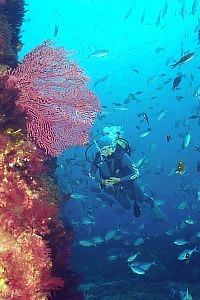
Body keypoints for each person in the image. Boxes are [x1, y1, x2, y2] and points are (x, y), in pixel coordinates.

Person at [89, 135, 167, 221]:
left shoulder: (122, 155)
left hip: (129, 184)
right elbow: (91, 174)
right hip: (115, 189)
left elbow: (136, 173)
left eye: (110, 148)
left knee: (141, 199)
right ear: (99, 150)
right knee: (127, 207)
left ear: (114, 147)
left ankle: (150, 201)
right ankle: (131, 198)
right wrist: (102, 181)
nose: (108, 152)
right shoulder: (98, 159)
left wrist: (120, 180)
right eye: (104, 150)